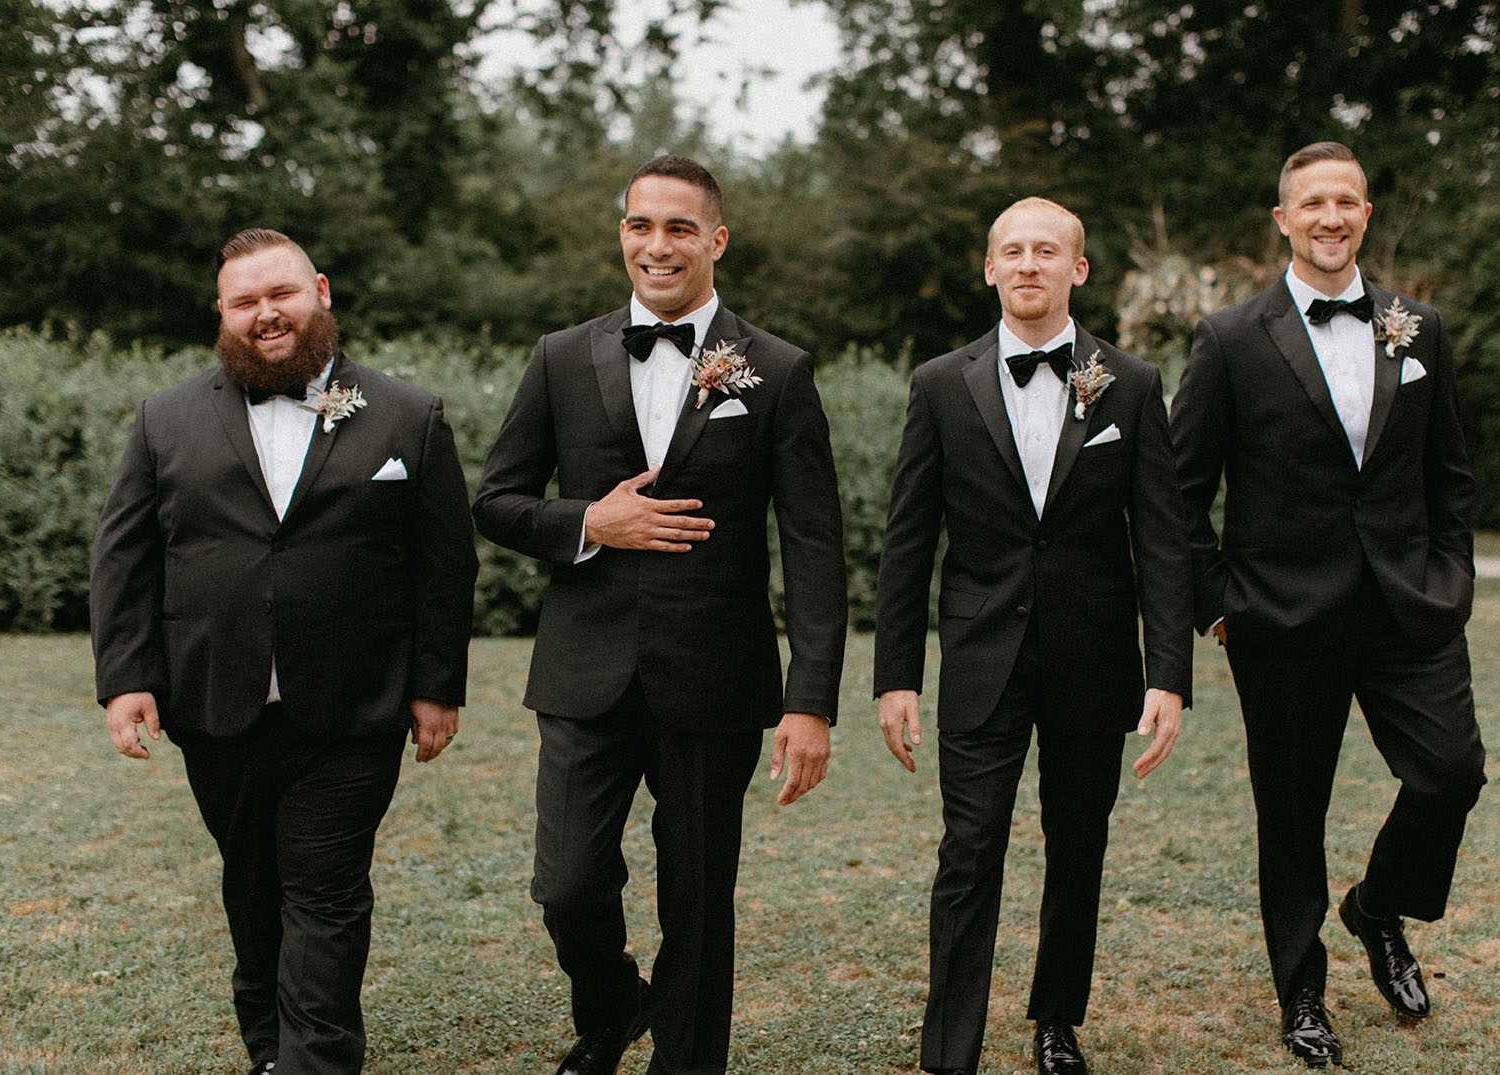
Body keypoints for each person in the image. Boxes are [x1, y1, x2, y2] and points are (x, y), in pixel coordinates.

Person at [473, 154, 847, 1075]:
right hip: (582, 671)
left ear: (715, 240)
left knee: (698, 898)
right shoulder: (562, 356)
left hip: (713, 676)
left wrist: (811, 700)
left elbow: (813, 547)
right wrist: (589, 520)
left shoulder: (780, 370)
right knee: (565, 884)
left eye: (679, 227)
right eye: (641, 225)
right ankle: (610, 1009)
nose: (657, 244)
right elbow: (495, 499)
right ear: (622, 236)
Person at [90, 228, 479, 1075]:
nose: (266, 313)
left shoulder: (409, 415)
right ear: (223, 313)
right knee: (252, 882)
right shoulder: (166, 418)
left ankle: (315, 1061)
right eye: (245, 301)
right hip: (214, 699)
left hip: (354, 703)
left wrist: (436, 683)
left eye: (283, 293)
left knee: (326, 889)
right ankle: (270, 1047)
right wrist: (125, 680)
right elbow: (123, 556)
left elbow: (444, 564)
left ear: (321, 292)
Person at [1168, 142, 1486, 1067]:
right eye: (1312, 202)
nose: (1330, 216)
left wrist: (1450, 576)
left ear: (1366, 214)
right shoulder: (1229, 338)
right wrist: (1217, 604)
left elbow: (1450, 474)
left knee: (1450, 771)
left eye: (1346, 200)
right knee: (1292, 813)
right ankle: (1301, 992)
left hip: (1407, 611)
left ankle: (1377, 908)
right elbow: (1181, 491)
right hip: (1280, 618)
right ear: (1282, 219)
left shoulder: (1415, 326)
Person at [874, 197, 1192, 1075]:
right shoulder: (941, 382)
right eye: (1010, 251)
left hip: (1095, 661)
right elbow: (907, 539)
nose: (1027, 265)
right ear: (988, 268)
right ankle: (950, 1050)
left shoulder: (1129, 383)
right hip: (979, 658)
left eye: (1045, 251)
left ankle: (1056, 1020)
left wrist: (1167, 673)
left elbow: (1161, 539)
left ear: (1076, 269)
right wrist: (894, 674)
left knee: (1077, 843)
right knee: (968, 849)